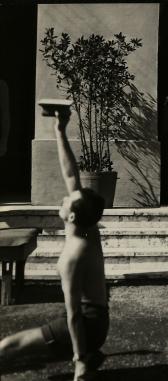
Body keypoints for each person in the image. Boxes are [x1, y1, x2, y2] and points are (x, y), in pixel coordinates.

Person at [0, 110, 109, 380]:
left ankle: (84, 355)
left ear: (71, 215)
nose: (63, 199)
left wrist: (79, 360)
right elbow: (71, 175)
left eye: (66, 202)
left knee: (7, 347)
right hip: (96, 320)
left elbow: (73, 316)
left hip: (86, 324)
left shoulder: (74, 256)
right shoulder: (86, 228)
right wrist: (59, 130)